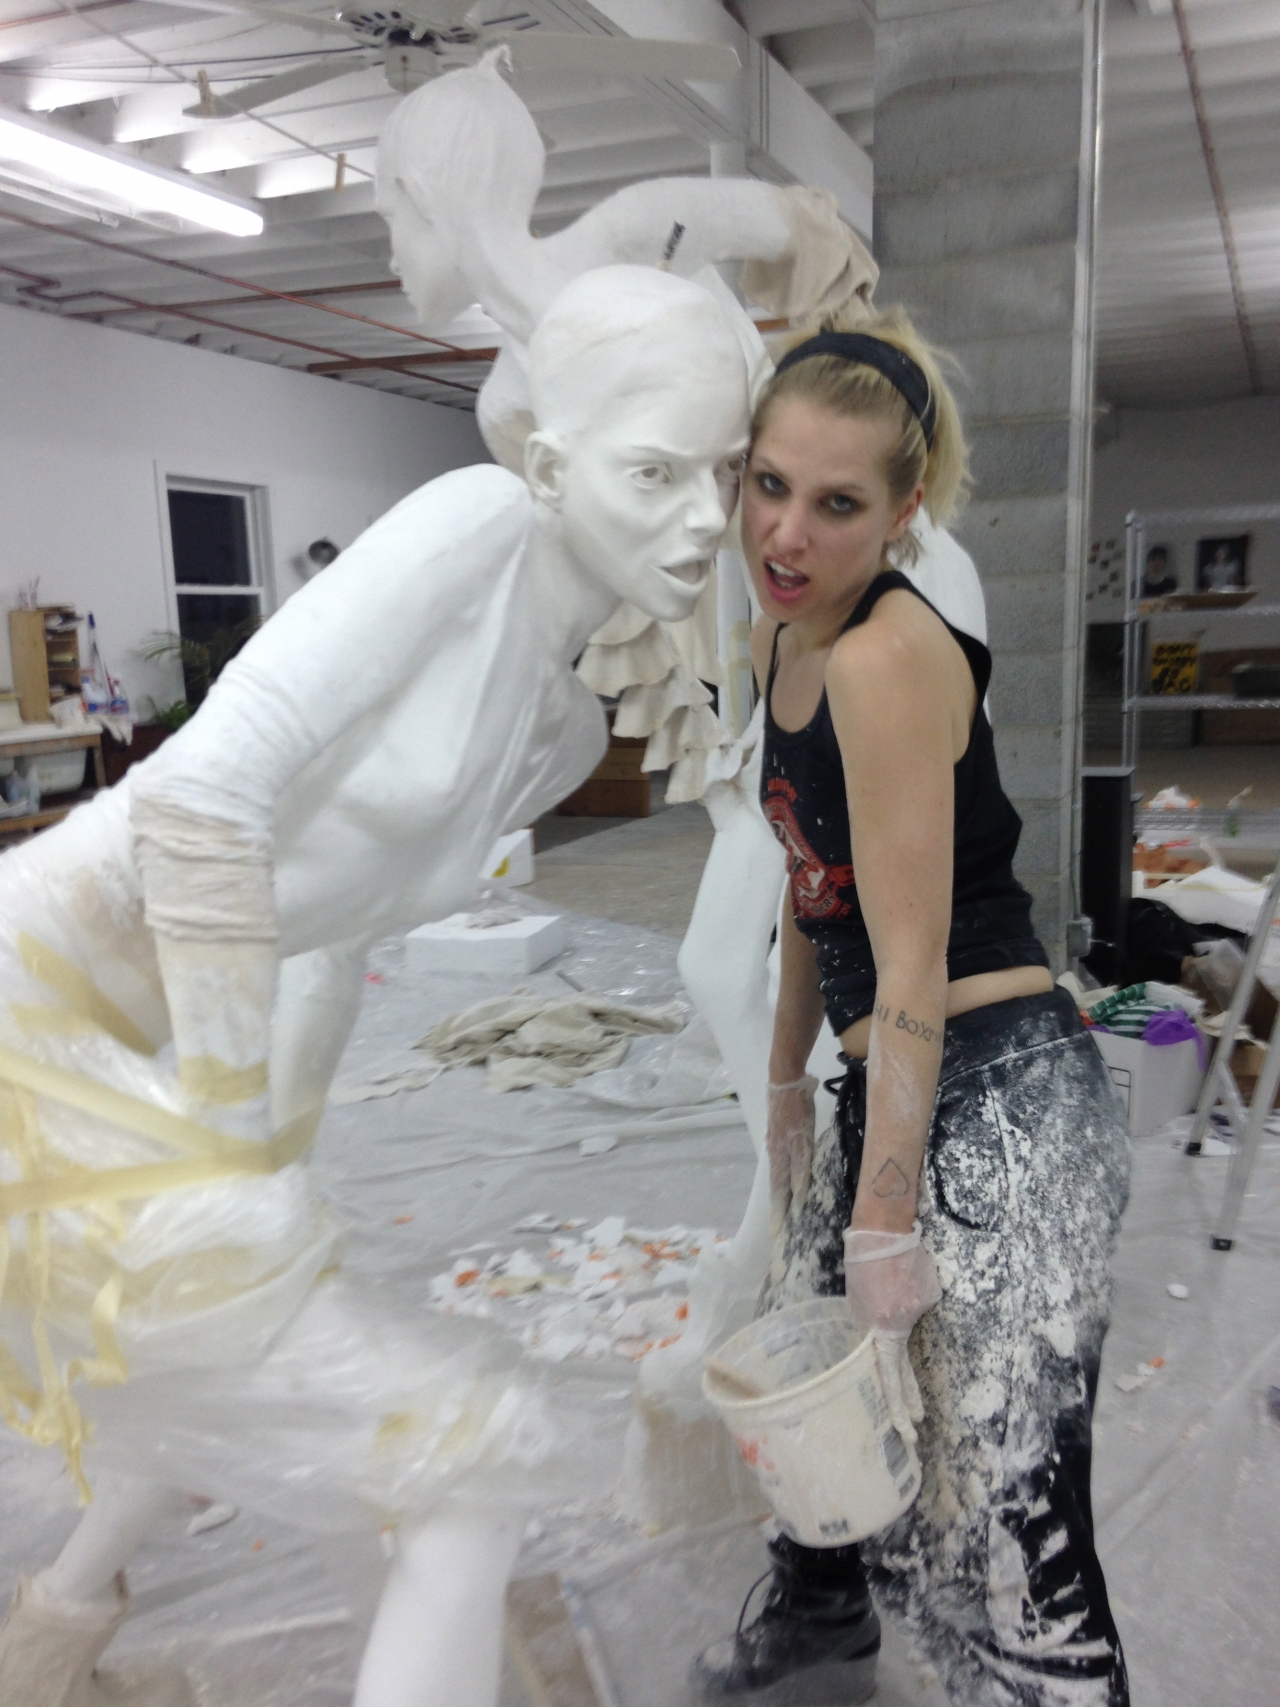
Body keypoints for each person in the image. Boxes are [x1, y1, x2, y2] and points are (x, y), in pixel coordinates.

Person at [0, 265, 750, 1707]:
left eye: (720, 471)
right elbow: (202, 801)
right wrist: (229, 1145)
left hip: (137, 1068)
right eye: (657, 472)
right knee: (467, 1464)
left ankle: (50, 1636)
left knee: (231, 1344)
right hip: (36, 1023)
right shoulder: (475, 526)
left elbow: (327, 942)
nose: (708, 516)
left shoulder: (557, 724)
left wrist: (265, 1165)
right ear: (551, 466)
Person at [690, 317, 1132, 1707]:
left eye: (836, 504)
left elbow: (914, 957)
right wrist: (783, 1081)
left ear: (903, 512)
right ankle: (824, 1616)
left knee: (1008, 1506)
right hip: (899, 1076)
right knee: (821, 1386)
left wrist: (884, 1211)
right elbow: (809, 881)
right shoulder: (784, 636)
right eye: (769, 485)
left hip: (1003, 1098)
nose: (786, 532)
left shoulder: (882, 658)